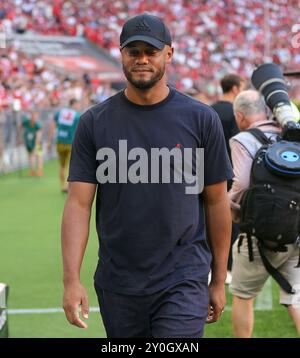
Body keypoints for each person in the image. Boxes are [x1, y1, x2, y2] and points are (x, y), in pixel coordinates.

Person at [61, 13, 233, 338]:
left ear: (168, 54)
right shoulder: (94, 122)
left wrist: (218, 280)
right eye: (133, 51)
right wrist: (71, 280)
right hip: (118, 280)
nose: (142, 59)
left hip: (183, 275)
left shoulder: (201, 119)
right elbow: (78, 205)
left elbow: (216, 202)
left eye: (150, 51)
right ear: (121, 54)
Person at [229, 89, 300, 337]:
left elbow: (241, 186)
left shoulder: (242, 140)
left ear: (240, 115)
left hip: (258, 235)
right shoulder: (289, 131)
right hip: (296, 230)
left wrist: (228, 208)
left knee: (242, 295)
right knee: (295, 298)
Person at [211, 74, 245, 284]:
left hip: (207, 172)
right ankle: (229, 268)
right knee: (231, 220)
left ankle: (210, 266)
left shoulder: (210, 109)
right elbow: (237, 143)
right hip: (230, 172)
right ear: (234, 88)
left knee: (208, 218)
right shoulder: (235, 113)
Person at [48, 98, 81, 193]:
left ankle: (63, 186)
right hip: (71, 143)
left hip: (60, 142)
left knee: (62, 166)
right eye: (78, 104)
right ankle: (70, 187)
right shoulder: (76, 115)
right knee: (72, 165)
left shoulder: (59, 113)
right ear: (74, 104)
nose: (78, 106)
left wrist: (49, 141)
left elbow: (52, 126)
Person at [20, 110, 43, 176]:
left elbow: (39, 136)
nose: (35, 117)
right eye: (33, 116)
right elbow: (21, 126)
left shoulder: (38, 125)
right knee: (30, 156)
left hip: (38, 143)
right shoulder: (26, 122)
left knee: (39, 155)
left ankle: (39, 170)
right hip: (29, 142)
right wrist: (21, 137)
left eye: (36, 116)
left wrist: (36, 146)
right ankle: (32, 170)